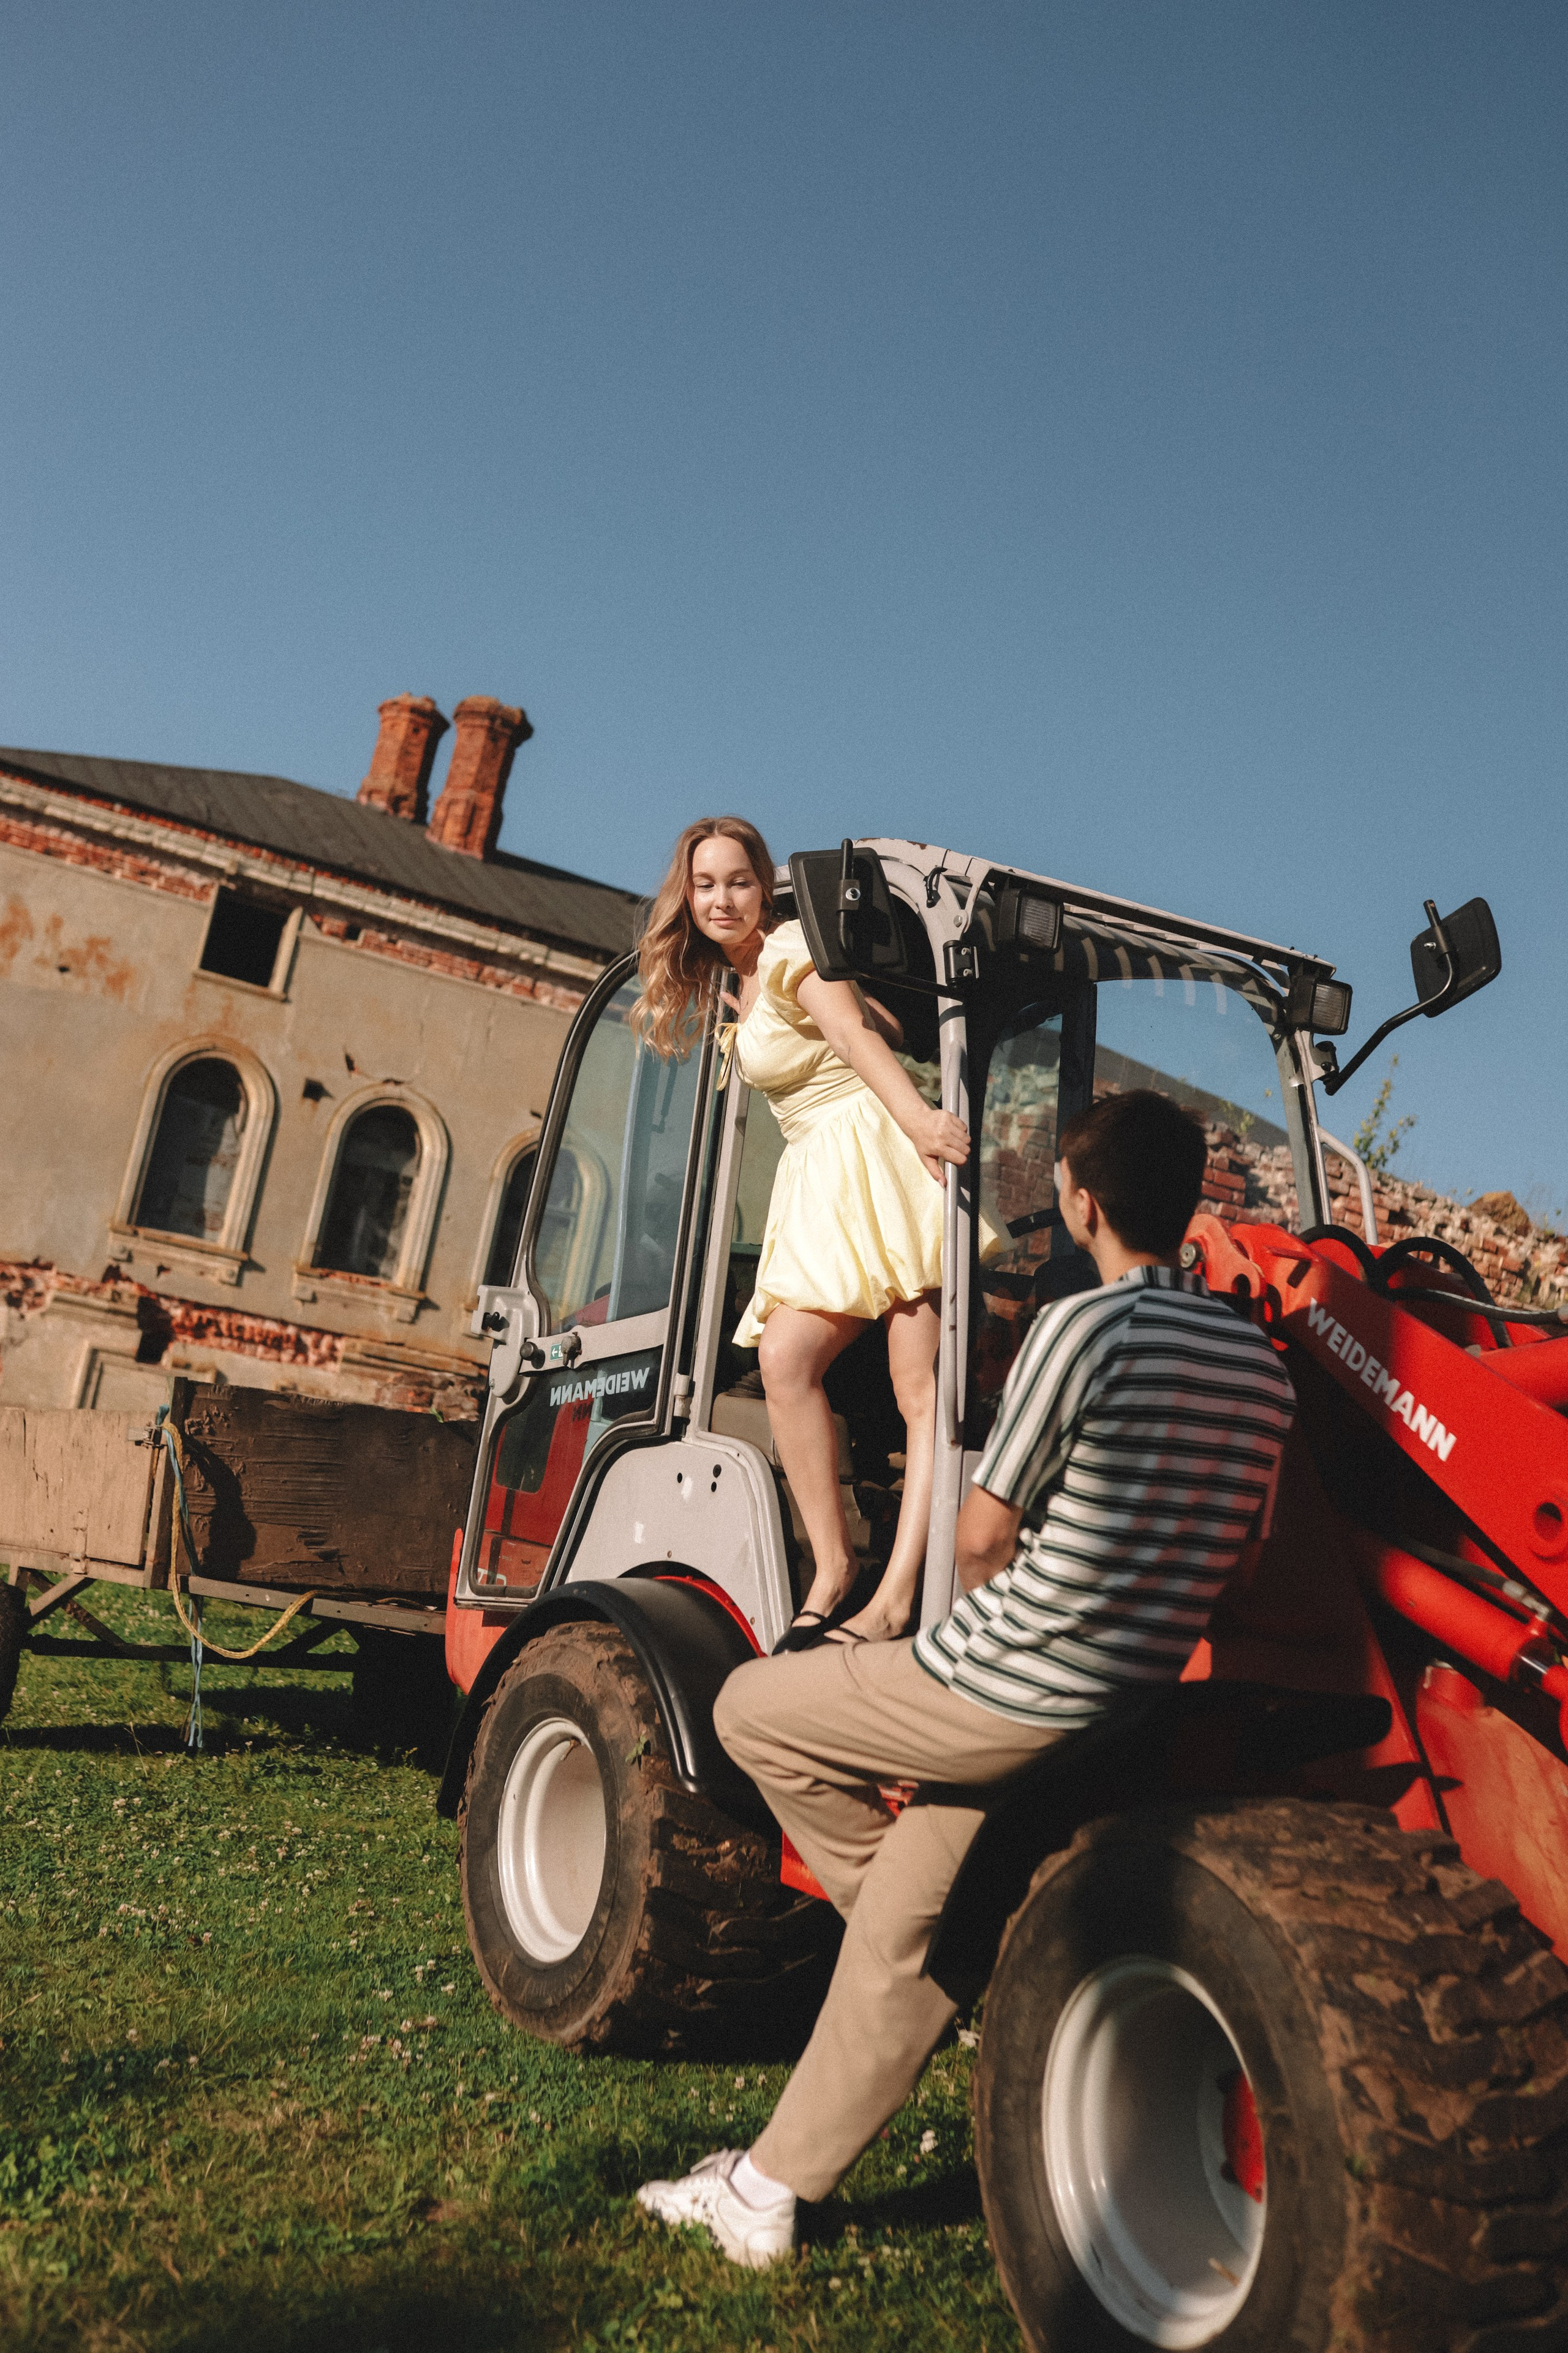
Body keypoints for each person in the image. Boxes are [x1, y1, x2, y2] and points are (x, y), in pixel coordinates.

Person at [636, 1087, 1296, 2266]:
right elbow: (1242, 1563)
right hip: (1121, 1701)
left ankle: (931, 1950)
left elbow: (984, 1536)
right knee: (907, 1919)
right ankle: (768, 2192)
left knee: (749, 1708)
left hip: (996, 1685)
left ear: (1082, 1204)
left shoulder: (1083, 1332)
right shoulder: (1262, 1368)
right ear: (1192, 1205)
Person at [635, 817, 970, 1645]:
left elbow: (855, 1039)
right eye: (706, 884)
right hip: (821, 1175)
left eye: (738, 881)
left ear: (765, 887)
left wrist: (923, 1122)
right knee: (784, 1361)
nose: (722, 899)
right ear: (688, 894)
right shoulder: (736, 984)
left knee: (918, 1386)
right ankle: (833, 1566)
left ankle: (897, 1594)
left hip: (878, 1154)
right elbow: (862, 1027)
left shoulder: (788, 952)